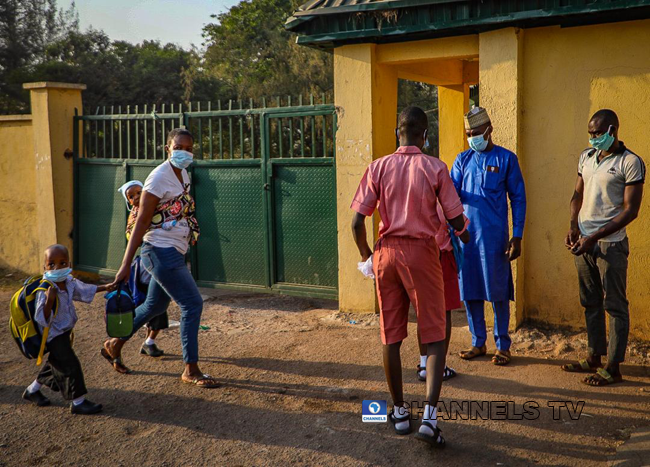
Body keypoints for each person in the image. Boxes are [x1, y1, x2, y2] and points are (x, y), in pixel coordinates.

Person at [351, 106, 469, 447]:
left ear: (396, 133)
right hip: (422, 253)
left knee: (391, 336)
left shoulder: (378, 167)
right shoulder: (435, 167)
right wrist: (465, 234)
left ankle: (400, 412)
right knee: (434, 335)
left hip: (385, 254)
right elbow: (456, 220)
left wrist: (366, 257)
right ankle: (430, 419)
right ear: (425, 134)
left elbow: (357, 222)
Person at [102, 128, 219, 388]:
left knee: (154, 306)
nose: (184, 152)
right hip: (159, 252)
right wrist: (124, 265)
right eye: (179, 147)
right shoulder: (158, 178)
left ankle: (114, 343)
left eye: (189, 148)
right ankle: (191, 369)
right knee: (192, 304)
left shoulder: (183, 173)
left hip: (174, 250)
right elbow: (143, 221)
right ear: (168, 148)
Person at [563, 109, 644, 386]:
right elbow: (577, 193)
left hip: (611, 246)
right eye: (590, 133)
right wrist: (574, 225)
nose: (592, 137)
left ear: (612, 130)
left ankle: (613, 366)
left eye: (597, 133)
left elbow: (630, 210)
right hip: (583, 243)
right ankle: (594, 356)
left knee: (615, 305)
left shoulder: (631, 162)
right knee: (590, 302)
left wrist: (595, 236)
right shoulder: (586, 157)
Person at [451, 107, 526, 366]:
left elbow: (518, 198)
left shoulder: (507, 159)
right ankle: (478, 342)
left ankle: (503, 345)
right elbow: (451, 195)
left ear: (489, 129)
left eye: (476, 133)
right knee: (470, 291)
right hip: (466, 239)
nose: (473, 138)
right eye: (468, 133)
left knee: (498, 292)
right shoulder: (462, 160)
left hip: (495, 239)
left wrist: (517, 235)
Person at [22, 244, 114, 414]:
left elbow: (84, 289)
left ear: (69, 264)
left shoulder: (69, 282)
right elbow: (41, 317)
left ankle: (32, 391)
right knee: (71, 365)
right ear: (45, 267)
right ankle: (78, 402)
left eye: (62, 263)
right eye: (52, 264)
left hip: (64, 331)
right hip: (53, 335)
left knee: (56, 363)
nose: (57, 268)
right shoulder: (45, 288)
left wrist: (105, 287)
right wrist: (50, 300)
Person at [118, 180, 169, 358]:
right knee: (151, 304)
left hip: (163, 258)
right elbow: (132, 236)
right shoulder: (134, 216)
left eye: (139, 192)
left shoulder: (157, 204)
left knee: (159, 305)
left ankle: (149, 341)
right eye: (131, 196)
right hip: (149, 264)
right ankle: (119, 341)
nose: (136, 197)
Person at [416, 201, 462, 383]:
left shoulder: (413, 196)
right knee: (445, 312)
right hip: (442, 257)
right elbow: (462, 230)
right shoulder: (443, 199)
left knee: (423, 311)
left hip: (420, 257)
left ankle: (423, 365)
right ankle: (440, 367)